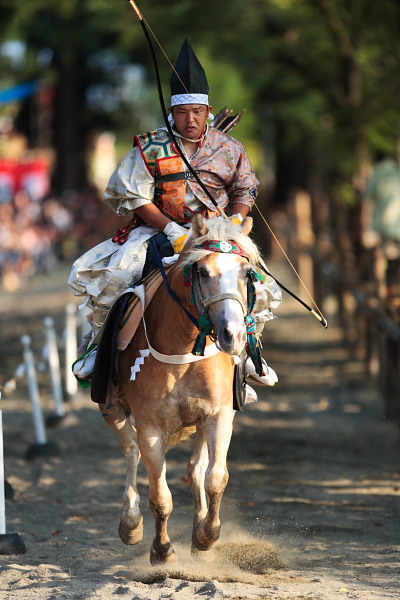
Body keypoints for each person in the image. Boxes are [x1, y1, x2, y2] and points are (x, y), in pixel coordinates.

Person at [68, 40, 282, 386]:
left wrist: (237, 223)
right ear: (172, 112)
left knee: (252, 282)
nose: (191, 119)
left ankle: (249, 353)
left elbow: (245, 188)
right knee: (121, 278)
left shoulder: (229, 148)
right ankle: (99, 348)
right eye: (183, 113)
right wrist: (171, 230)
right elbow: (135, 195)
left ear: (208, 110)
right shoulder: (151, 146)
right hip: (159, 231)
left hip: (218, 234)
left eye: (197, 111)